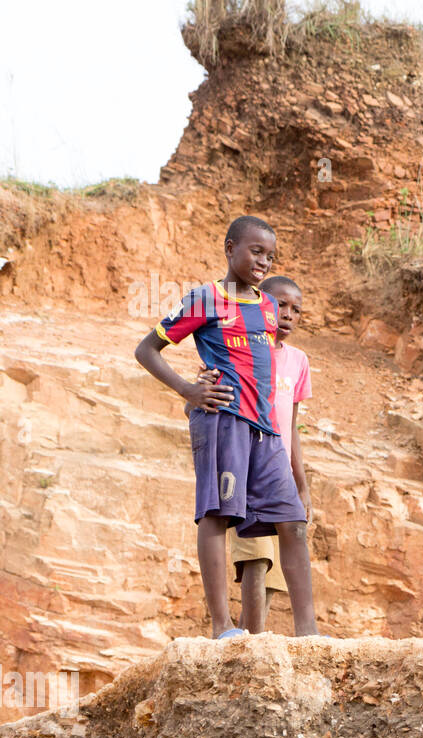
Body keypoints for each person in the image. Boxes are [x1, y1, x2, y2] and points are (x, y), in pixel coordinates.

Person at [133, 215, 319, 640]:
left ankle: (308, 632)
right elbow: (147, 350)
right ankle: (222, 626)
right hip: (223, 422)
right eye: (256, 251)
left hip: (266, 431)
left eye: (270, 256)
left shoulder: (269, 307)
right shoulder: (204, 300)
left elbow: (266, 367)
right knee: (217, 515)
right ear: (229, 247)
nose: (263, 262)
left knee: (292, 523)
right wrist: (189, 391)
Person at [187, 275, 312, 633]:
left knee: (278, 567)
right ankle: (243, 637)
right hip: (243, 467)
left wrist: (301, 484)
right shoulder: (232, 354)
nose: (286, 315)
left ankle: (259, 636)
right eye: (280, 305)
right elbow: (197, 405)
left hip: (277, 470)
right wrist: (193, 392)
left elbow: (292, 428)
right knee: (256, 560)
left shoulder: (297, 361)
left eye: (296, 310)